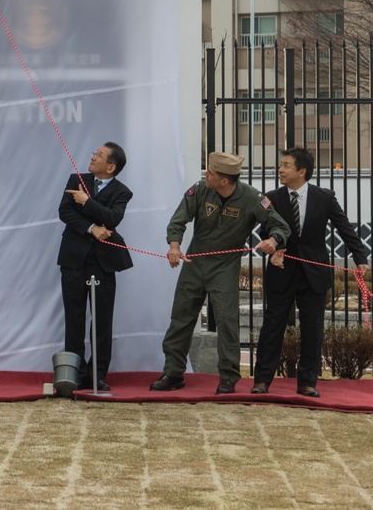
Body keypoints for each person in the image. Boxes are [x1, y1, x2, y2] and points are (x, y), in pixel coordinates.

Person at [151, 151, 290, 395]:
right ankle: (173, 372)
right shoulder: (201, 189)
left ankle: (227, 378)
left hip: (225, 267)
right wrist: (174, 245)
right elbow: (178, 220)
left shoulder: (252, 198)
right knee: (181, 318)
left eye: (211, 172)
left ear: (224, 181)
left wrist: (274, 240)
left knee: (227, 322)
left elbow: (280, 225)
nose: (206, 174)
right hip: (195, 264)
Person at [252, 147, 369, 398]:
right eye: (280, 165)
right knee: (272, 327)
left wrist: (360, 258)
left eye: (285, 165)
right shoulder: (272, 197)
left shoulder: (324, 197)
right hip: (281, 272)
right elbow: (265, 231)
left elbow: (344, 227)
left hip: (314, 275)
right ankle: (262, 381)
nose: (279, 170)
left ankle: (307, 382)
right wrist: (276, 247)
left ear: (302, 171)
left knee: (312, 328)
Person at [56, 143, 133, 391]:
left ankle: (97, 374)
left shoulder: (123, 192)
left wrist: (87, 202)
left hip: (103, 264)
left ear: (111, 167)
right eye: (94, 153)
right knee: (74, 318)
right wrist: (92, 228)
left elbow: (112, 218)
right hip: (73, 260)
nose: (92, 157)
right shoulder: (77, 179)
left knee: (101, 320)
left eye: (99, 156)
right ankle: (74, 373)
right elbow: (65, 212)